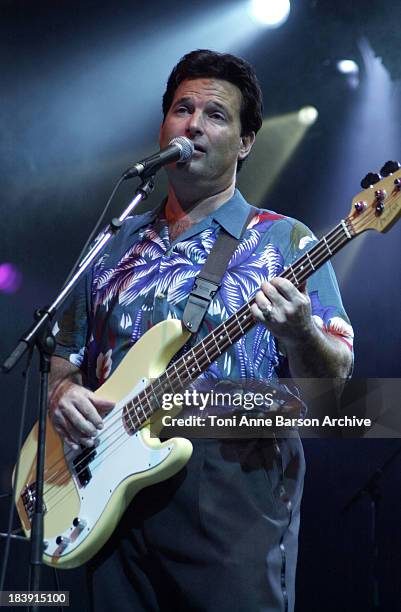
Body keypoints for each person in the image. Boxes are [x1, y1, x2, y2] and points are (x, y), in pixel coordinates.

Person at [49, 49, 354, 612]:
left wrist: (300, 333)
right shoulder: (113, 245)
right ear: (163, 124)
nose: (193, 124)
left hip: (232, 495)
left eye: (215, 114)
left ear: (245, 141)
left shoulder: (285, 242)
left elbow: (334, 391)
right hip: (106, 491)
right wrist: (64, 394)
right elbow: (64, 354)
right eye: (182, 109)